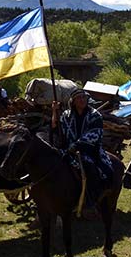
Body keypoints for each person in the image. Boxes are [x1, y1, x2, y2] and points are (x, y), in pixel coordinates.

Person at [51, 88, 113, 219]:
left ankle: (90, 201)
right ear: (73, 101)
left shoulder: (95, 115)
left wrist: (77, 145)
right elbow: (57, 130)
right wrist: (54, 112)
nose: (82, 100)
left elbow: (94, 134)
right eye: (79, 98)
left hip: (89, 150)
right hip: (68, 150)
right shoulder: (65, 115)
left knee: (90, 166)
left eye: (84, 98)